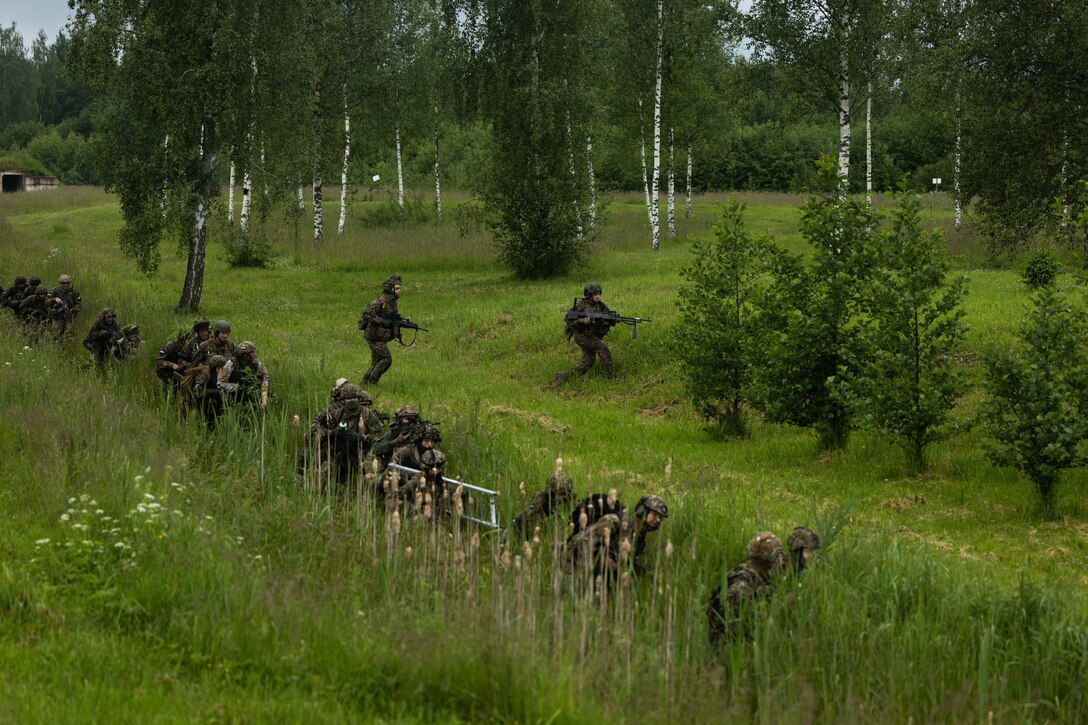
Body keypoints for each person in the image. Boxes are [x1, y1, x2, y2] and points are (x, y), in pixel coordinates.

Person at [565, 493, 669, 583]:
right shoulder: (615, 522)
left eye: (661, 517)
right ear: (642, 510)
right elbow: (580, 544)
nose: (658, 520)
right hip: (576, 571)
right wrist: (605, 560)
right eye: (655, 514)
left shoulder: (639, 540)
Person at [706, 531, 784, 648]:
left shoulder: (757, 579)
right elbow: (734, 635)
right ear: (774, 561)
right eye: (780, 557)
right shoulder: (741, 588)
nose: (782, 562)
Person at [556, 283, 614, 386]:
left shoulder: (600, 304)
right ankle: (608, 378)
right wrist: (582, 321)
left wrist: (612, 320)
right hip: (582, 336)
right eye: (595, 294)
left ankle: (563, 376)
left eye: (599, 293)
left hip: (591, 335)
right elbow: (568, 319)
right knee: (603, 349)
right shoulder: (581, 304)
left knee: (588, 362)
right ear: (589, 295)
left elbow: (608, 314)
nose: (598, 296)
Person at [358, 274, 401, 384]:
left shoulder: (392, 303)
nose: (399, 291)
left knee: (376, 361)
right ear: (390, 289)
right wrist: (382, 321)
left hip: (380, 336)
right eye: (397, 288)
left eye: (399, 288)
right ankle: (373, 381)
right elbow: (368, 314)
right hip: (373, 336)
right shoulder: (380, 302)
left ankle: (364, 382)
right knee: (387, 359)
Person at [511, 469, 576, 540]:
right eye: (560, 494)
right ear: (552, 494)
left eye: (565, 493)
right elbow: (534, 524)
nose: (563, 497)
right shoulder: (541, 501)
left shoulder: (571, 499)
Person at [156, 320, 211, 387]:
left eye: (205, 331)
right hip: (171, 371)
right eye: (201, 331)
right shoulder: (171, 346)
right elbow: (159, 362)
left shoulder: (207, 342)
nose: (204, 333)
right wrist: (172, 365)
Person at [179, 354, 228, 427]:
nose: (224, 370)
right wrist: (214, 392)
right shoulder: (204, 375)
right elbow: (196, 393)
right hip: (199, 402)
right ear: (217, 368)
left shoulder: (216, 375)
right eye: (221, 367)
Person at [218, 340, 269, 409]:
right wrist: (236, 387)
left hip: (252, 391)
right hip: (234, 394)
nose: (255, 355)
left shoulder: (256, 363)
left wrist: (263, 387)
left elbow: (265, 376)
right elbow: (220, 383)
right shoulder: (232, 363)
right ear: (245, 354)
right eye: (252, 352)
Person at [48, 274, 83, 341]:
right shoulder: (55, 291)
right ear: (60, 283)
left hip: (69, 317)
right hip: (57, 316)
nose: (65, 285)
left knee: (69, 336)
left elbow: (79, 305)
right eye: (63, 283)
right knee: (55, 336)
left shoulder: (73, 292)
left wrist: (72, 310)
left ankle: (67, 348)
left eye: (67, 283)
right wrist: (54, 299)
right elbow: (46, 301)